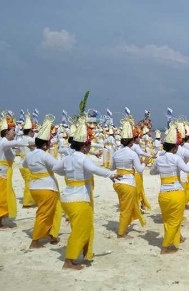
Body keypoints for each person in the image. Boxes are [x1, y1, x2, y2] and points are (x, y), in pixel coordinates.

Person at [52, 112, 122, 270]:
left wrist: (69, 175)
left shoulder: (68, 157)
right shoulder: (83, 158)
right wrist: (111, 174)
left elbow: (56, 168)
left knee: (82, 227)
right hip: (79, 199)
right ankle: (68, 261)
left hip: (67, 198)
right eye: (89, 145)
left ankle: (84, 253)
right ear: (84, 146)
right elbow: (95, 169)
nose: (90, 147)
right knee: (81, 230)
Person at [150, 122, 189, 254]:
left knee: (168, 219)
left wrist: (162, 171)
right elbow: (186, 169)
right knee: (176, 219)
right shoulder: (176, 158)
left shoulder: (159, 159)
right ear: (174, 148)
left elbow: (152, 172)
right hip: (176, 192)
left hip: (163, 193)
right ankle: (165, 247)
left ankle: (178, 237)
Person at [22, 115, 62, 248]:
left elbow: (24, 165)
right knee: (44, 213)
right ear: (45, 145)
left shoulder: (30, 154)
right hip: (47, 187)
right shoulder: (45, 156)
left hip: (34, 187)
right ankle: (35, 241)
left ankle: (51, 234)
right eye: (49, 143)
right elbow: (58, 168)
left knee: (51, 210)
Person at [110, 117, 147, 238]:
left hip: (117, 183)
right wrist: (145, 162)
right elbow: (140, 169)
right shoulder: (132, 153)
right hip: (128, 183)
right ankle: (121, 233)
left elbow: (111, 168)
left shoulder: (116, 153)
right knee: (125, 209)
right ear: (131, 141)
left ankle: (123, 227)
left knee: (123, 206)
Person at [0, 113, 29, 228]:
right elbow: (16, 143)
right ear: (6, 132)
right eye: (12, 131)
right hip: (1, 173)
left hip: (5, 172)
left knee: (4, 195)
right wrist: (27, 141)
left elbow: (14, 149)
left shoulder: (6, 144)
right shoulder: (4, 142)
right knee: (1, 197)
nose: (14, 132)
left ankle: (0, 220)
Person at [17, 112, 37, 208]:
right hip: (26, 165)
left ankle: (31, 200)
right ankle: (27, 202)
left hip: (21, 164)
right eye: (33, 131)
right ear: (30, 132)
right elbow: (35, 144)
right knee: (29, 183)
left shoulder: (20, 140)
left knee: (29, 183)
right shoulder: (29, 139)